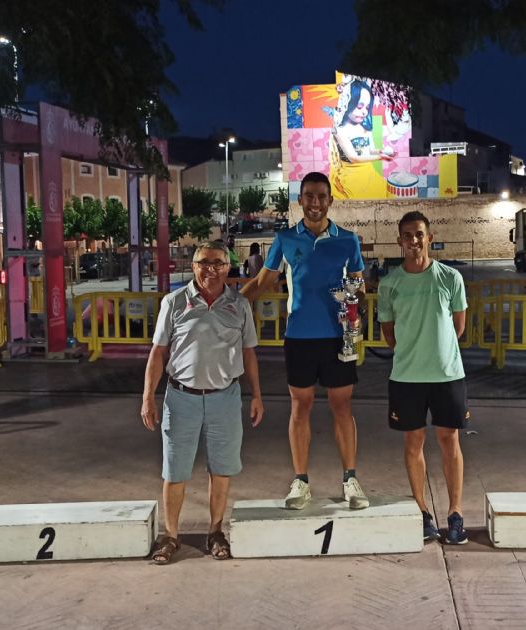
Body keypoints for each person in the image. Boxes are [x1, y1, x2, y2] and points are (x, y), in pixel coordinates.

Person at [241, 171, 369, 510]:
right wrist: (229, 305)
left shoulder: (348, 240)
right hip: (299, 337)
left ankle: (350, 479)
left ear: (330, 200)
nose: (314, 202)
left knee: (342, 408)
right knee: (301, 408)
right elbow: (262, 282)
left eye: (320, 196)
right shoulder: (285, 240)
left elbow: (360, 289)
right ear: (301, 200)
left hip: (337, 339)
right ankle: (301, 481)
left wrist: (356, 304)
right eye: (308, 196)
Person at [141, 240, 264, 563]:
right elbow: (158, 352)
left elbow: (249, 352)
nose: (211, 269)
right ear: (193, 266)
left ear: (228, 267)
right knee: (175, 470)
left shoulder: (239, 305)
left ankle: (215, 531)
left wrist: (257, 396)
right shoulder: (174, 302)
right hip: (181, 398)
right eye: (204, 262)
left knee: (221, 470)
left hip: (225, 398)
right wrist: (148, 398)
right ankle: (170, 535)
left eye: (218, 263)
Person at [377, 210, 469, 545]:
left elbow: (458, 328)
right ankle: (422, 512)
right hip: (406, 377)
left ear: (429, 237)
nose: (414, 241)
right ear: (399, 241)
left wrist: (437, 350)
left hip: (447, 375)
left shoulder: (449, 278)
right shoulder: (390, 283)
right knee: (413, 443)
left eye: (419, 234)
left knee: (450, 441)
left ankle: (455, 512)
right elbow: (389, 335)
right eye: (407, 235)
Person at [330, 78, 394, 199]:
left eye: (367, 107)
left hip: (368, 172)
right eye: (359, 106)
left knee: (383, 193)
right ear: (348, 103)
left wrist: (381, 151)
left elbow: (370, 149)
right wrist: (380, 157)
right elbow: (353, 157)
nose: (364, 112)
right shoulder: (339, 130)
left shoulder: (364, 126)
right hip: (350, 176)